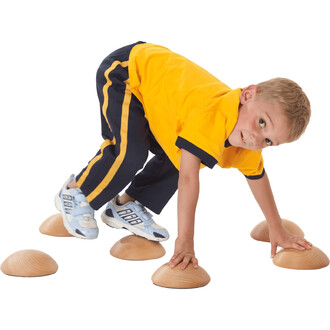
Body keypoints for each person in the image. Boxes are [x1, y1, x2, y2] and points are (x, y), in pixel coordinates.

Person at [55, 41, 312, 270]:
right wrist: (185, 242)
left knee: (186, 157)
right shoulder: (211, 116)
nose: (257, 138)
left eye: (269, 141)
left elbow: (258, 178)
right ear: (247, 95)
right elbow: (188, 181)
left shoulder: (245, 142)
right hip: (129, 72)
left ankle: (125, 204)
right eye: (262, 122)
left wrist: (278, 229)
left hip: (163, 102)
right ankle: (76, 192)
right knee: (130, 155)